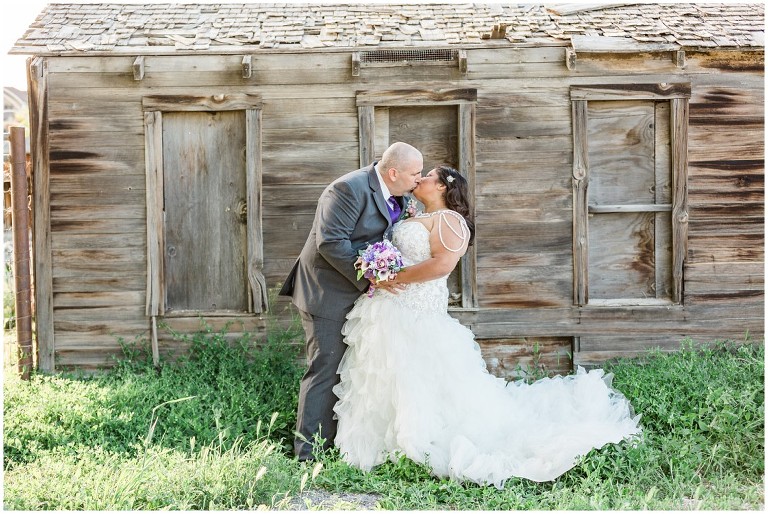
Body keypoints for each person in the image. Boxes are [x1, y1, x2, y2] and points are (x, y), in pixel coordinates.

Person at [332, 165, 641, 487]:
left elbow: (442, 265)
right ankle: (386, 443)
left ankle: (419, 441)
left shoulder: (450, 220)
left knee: (415, 375)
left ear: (442, 187)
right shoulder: (415, 215)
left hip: (416, 309)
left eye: (428, 176)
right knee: (385, 372)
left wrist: (392, 278)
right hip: (390, 307)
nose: (419, 179)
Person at [279, 141, 424, 461]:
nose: (419, 179)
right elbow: (331, 242)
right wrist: (374, 278)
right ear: (393, 172)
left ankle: (337, 443)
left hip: (359, 295)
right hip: (326, 292)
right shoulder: (346, 189)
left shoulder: (400, 195)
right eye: (416, 173)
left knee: (350, 368)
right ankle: (307, 454)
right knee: (325, 368)